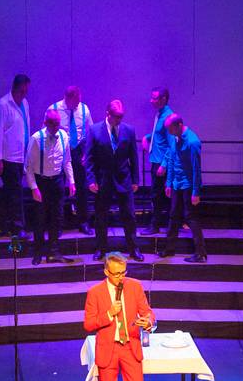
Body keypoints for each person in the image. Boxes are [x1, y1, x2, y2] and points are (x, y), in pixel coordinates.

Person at [83, 252, 156, 381]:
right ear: (106, 272)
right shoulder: (95, 292)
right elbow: (88, 324)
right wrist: (108, 314)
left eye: (123, 272)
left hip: (130, 346)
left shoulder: (135, 286)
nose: (120, 277)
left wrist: (148, 322)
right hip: (109, 349)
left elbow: (148, 312)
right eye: (116, 274)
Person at [85, 100, 143, 262]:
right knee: (101, 216)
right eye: (116, 116)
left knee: (129, 215)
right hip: (103, 180)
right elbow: (89, 158)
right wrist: (91, 180)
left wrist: (135, 179)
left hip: (124, 179)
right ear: (108, 114)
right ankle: (100, 248)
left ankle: (133, 248)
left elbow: (133, 157)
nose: (119, 120)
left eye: (121, 116)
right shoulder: (94, 130)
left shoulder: (129, 130)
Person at [25, 109, 76, 265]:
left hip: (57, 181)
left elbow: (67, 161)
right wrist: (34, 188)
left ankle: (54, 252)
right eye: (52, 123)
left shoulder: (64, 136)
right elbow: (28, 166)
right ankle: (38, 252)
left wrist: (71, 181)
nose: (55, 127)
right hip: (41, 182)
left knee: (57, 217)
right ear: (45, 123)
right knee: (40, 218)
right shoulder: (36, 138)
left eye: (57, 123)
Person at [157, 113, 207, 263]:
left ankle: (201, 253)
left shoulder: (192, 142)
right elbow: (172, 159)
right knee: (173, 216)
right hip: (176, 184)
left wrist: (196, 192)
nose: (169, 132)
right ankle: (169, 249)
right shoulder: (175, 138)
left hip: (188, 185)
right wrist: (169, 183)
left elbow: (196, 169)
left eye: (170, 128)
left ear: (179, 126)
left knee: (191, 218)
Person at [50, 85, 94, 234]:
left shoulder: (84, 109)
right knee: (58, 189)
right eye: (75, 102)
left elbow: (90, 132)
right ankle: (57, 225)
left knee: (82, 188)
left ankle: (83, 222)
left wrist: (87, 153)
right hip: (60, 152)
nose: (77, 105)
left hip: (78, 152)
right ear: (68, 98)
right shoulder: (54, 109)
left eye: (79, 101)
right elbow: (47, 134)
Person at [0, 74, 31, 238]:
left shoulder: (25, 103)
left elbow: (26, 127)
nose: (24, 94)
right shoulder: (3, 105)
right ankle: (17, 226)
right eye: (22, 91)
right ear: (16, 88)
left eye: (26, 91)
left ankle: (2, 225)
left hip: (21, 155)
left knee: (8, 192)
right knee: (15, 192)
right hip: (8, 157)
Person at [140, 87, 173, 236]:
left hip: (161, 163)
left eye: (154, 98)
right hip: (156, 161)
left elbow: (171, 144)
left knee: (159, 196)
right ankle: (160, 225)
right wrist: (147, 137)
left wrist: (164, 165)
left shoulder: (168, 117)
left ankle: (157, 226)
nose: (151, 101)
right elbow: (158, 134)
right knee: (157, 195)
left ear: (163, 99)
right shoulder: (159, 114)